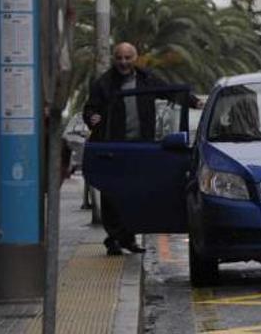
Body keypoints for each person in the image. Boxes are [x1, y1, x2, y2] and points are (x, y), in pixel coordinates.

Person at [83, 42, 200, 255]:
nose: (124, 62)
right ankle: (114, 239)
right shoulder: (104, 83)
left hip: (141, 147)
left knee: (135, 193)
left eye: (128, 57)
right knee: (112, 195)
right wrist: (92, 117)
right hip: (115, 148)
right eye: (119, 58)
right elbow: (90, 108)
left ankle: (130, 238)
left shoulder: (147, 79)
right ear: (114, 59)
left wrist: (194, 102)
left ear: (135, 58)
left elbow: (170, 93)